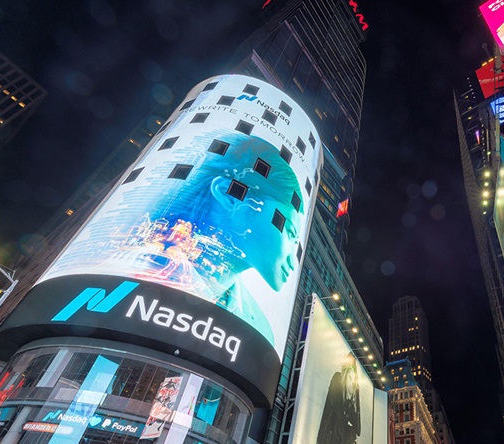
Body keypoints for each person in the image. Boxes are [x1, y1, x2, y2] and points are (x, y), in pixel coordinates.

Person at [115, 130, 306, 346]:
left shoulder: (261, 329)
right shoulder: (131, 267)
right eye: (289, 232)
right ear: (230, 195)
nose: (293, 258)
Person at [317, 352, 361, 444]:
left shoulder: (355, 387)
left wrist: (354, 429)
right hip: (334, 427)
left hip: (345, 430)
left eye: (352, 365)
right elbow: (333, 403)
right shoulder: (337, 377)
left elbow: (356, 411)